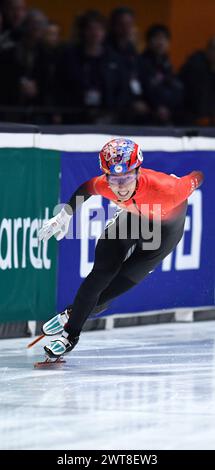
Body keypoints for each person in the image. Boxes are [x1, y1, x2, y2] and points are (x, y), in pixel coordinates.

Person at [38, 138, 204, 359]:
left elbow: (198, 177)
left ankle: (71, 314)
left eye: (126, 178)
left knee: (107, 294)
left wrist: (183, 181)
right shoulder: (106, 185)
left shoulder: (170, 190)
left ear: (138, 172)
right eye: (114, 180)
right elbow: (87, 188)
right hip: (133, 219)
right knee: (100, 275)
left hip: (164, 234)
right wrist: (65, 214)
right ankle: (70, 335)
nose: (121, 187)